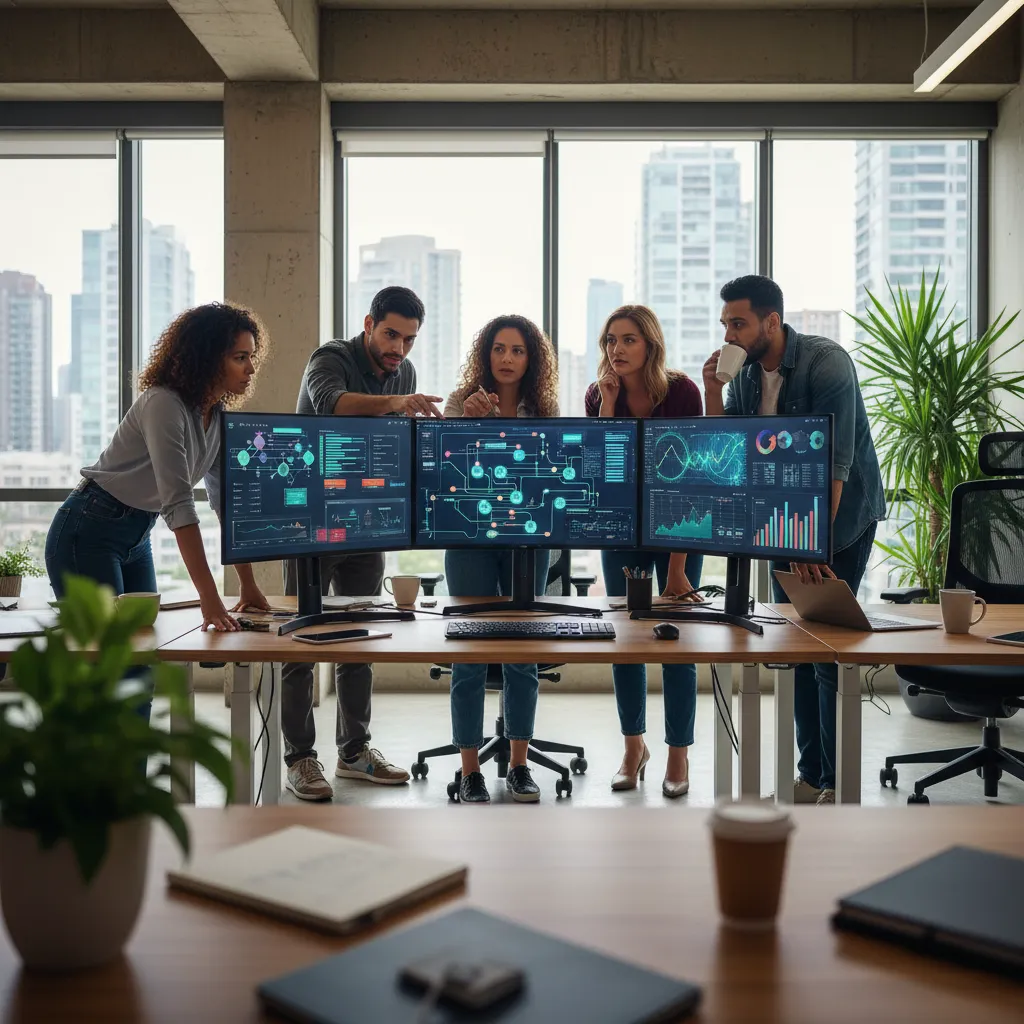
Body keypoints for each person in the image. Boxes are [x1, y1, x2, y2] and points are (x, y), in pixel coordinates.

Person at [703, 275, 885, 805]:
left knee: (827, 649)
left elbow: (835, 465)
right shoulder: (744, 378)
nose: (729, 335)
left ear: (772, 322)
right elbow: (727, 448)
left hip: (839, 521)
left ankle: (834, 782)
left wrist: (813, 546)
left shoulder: (826, 364)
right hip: (782, 520)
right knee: (798, 647)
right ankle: (810, 776)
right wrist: (713, 390)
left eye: (738, 323)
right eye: (725, 325)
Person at [282, 285, 442, 801]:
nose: (400, 349)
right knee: (300, 643)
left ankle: (353, 752)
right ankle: (299, 758)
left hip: (366, 518)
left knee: (359, 638)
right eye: (392, 335)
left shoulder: (404, 373)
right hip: (311, 518)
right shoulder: (330, 358)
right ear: (369, 324)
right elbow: (332, 405)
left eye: (409, 340)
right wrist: (397, 402)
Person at [44, 301, 271, 650]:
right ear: (208, 358)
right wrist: (209, 598)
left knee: (143, 655)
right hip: (88, 530)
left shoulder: (216, 415)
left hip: (137, 534)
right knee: (109, 658)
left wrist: (248, 584)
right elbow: (178, 504)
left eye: (251, 357)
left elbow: (226, 502)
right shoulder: (163, 404)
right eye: (240, 357)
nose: (251, 368)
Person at [585, 304, 705, 799]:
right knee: (626, 639)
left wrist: (677, 568)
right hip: (622, 527)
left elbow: (691, 479)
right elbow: (603, 473)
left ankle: (678, 753)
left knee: (677, 642)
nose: (617, 349)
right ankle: (634, 748)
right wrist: (609, 407)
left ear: (650, 344)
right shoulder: (598, 393)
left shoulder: (682, 392)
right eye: (610, 340)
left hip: (677, 523)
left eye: (628, 339)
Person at [443, 314, 560, 804]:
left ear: (531, 359)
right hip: (469, 535)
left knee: (521, 652)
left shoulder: (545, 411)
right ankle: (469, 769)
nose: (507, 358)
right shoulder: (461, 402)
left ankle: (518, 765)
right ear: (485, 354)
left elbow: (552, 477)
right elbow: (443, 470)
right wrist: (469, 425)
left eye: (517, 350)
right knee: (468, 653)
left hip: (526, 539)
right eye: (498, 348)